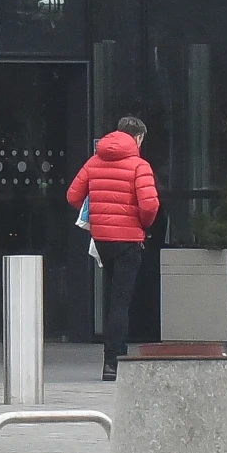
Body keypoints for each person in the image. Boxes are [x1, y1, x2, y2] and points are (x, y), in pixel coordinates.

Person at [67, 116, 160, 381]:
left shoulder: (94, 161)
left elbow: (73, 196)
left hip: (102, 241)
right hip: (129, 241)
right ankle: (113, 362)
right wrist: (142, 224)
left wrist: (98, 213)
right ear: (138, 138)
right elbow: (150, 205)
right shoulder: (139, 166)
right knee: (121, 302)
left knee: (112, 299)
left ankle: (116, 356)